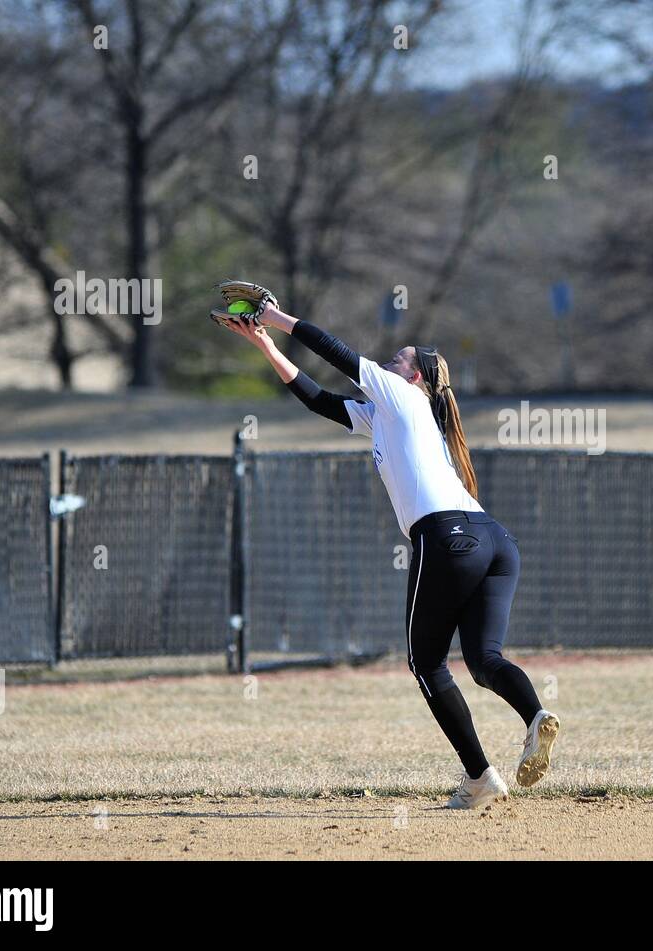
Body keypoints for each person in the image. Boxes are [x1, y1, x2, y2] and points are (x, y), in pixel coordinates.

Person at [217, 298, 560, 807]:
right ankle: (535, 715)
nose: (390, 363)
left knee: (427, 663)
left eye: (400, 359)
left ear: (416, 378)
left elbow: (337, 354)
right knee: (484, 660)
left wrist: (278, 318)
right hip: (494, 540)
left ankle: (481, 778)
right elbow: (319, 400)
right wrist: (265, 344)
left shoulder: (400, 394)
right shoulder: (390, 416)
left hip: (447, 539)